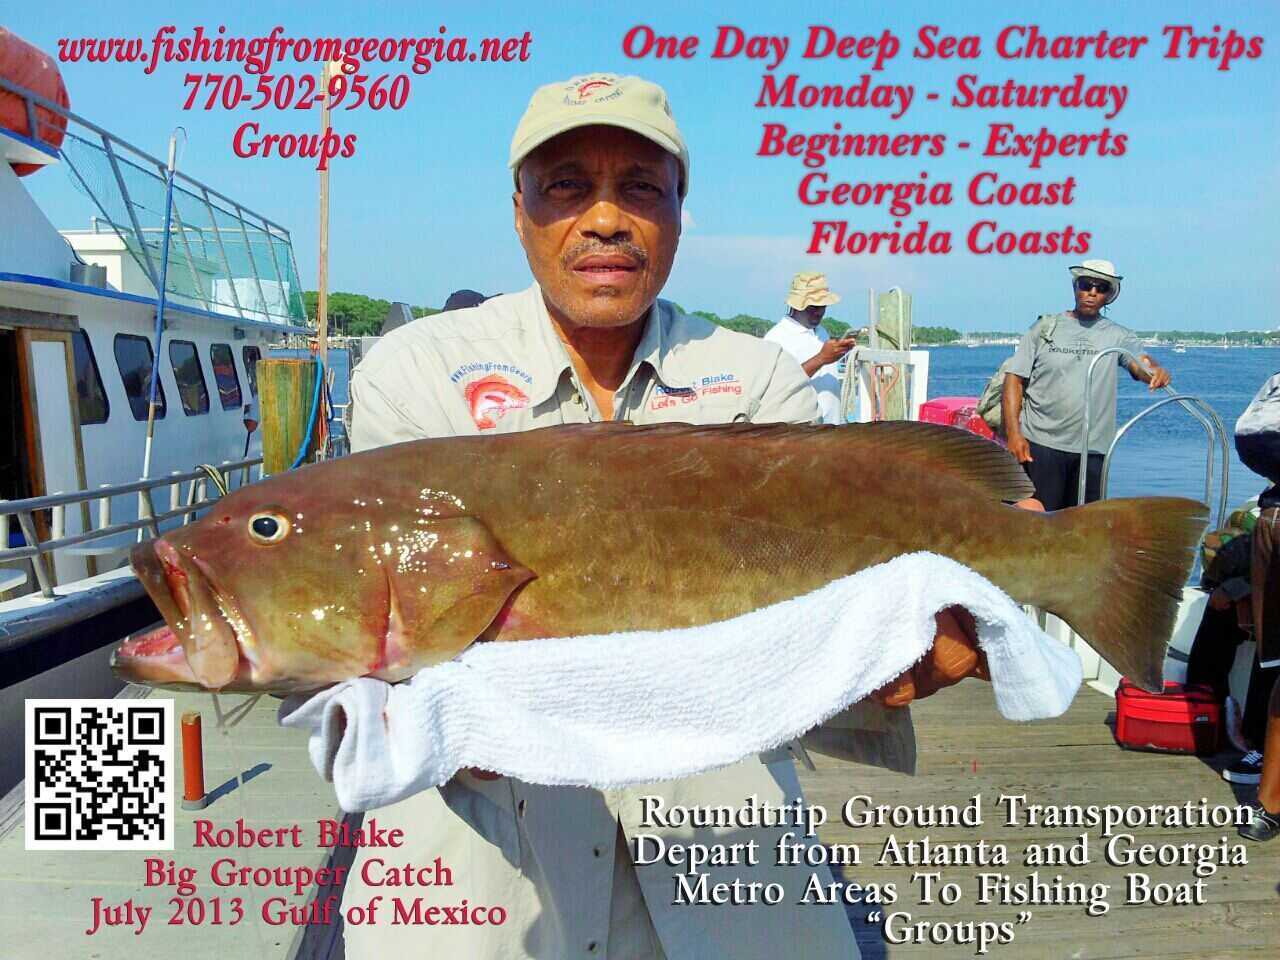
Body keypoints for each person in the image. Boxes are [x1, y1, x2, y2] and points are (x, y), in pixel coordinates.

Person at [345, 73, 986, 958]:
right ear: (520, 209)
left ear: (680, 214)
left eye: (640, 187)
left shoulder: (759, 380)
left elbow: (840, 601)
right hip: (480, 860)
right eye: (566, 185)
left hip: (722, 838)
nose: (605, 217)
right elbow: (395, 630)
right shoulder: (414, 373)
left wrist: (906, 643)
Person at [1002, 260, 1172, 510]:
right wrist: (1014, 435)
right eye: (1086, 285)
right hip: (1041, 444)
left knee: (1083, 527)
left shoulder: (1118, 336)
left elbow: (1140, 364)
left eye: (1101, 287)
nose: (1092, 292)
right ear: (1075, 287)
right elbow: (1013, 380)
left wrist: (1155, 372)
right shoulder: (1045, 328)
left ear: (1109, 295)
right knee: (1035, 519)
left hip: (1092, 450)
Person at [763, 272, 858, 424]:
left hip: (832, 429)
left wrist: (837, 354)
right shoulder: (775, 338)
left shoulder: (821, 332)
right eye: (813, 306)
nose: (819, 311)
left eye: (823, 306)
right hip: (802, 433)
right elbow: (777, 387)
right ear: (797, 305)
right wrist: (821, 359)